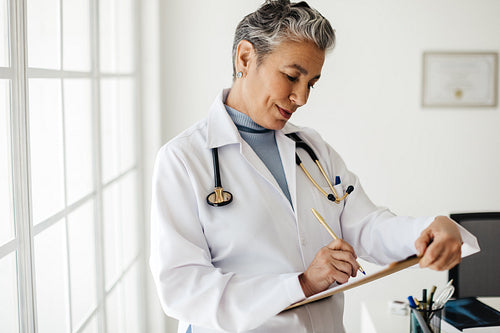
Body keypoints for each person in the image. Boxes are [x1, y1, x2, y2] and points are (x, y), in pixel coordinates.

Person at [149, 1, 479, 332]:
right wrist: (303, 283)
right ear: (245, 58)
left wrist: (429, 229)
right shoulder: (183, 159)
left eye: (312, 83)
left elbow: (366, 226)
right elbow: (183, 289)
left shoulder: (311, 147)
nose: (302, 97)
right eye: (292, 76)